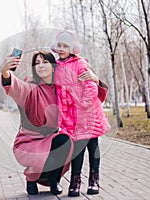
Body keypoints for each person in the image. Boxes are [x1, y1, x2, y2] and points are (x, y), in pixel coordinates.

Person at [0, 50, 73, 195]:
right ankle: (31, 178)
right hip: (29, 142)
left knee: (65, 141)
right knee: (44, 157)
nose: (41, 65)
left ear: (53, 66)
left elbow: (83, 93)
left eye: (45, 62)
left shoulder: (61, 89)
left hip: (50, 138)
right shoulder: (31, 88)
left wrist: (93, 79)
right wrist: (5, 72)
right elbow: (17, 87)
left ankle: (54, 181)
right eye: (37, 63)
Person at [51, 30, 110, 197]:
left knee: (92, 146)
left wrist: (83, 105)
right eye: (59, 45)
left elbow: (90, 86)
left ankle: (94, 179)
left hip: (88, 112)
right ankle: (75, 180)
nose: (61, 48)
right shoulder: (58, 66)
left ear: (73, 48)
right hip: (72, 116)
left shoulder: (80, 63)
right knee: (77, 148)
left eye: (65, 46)